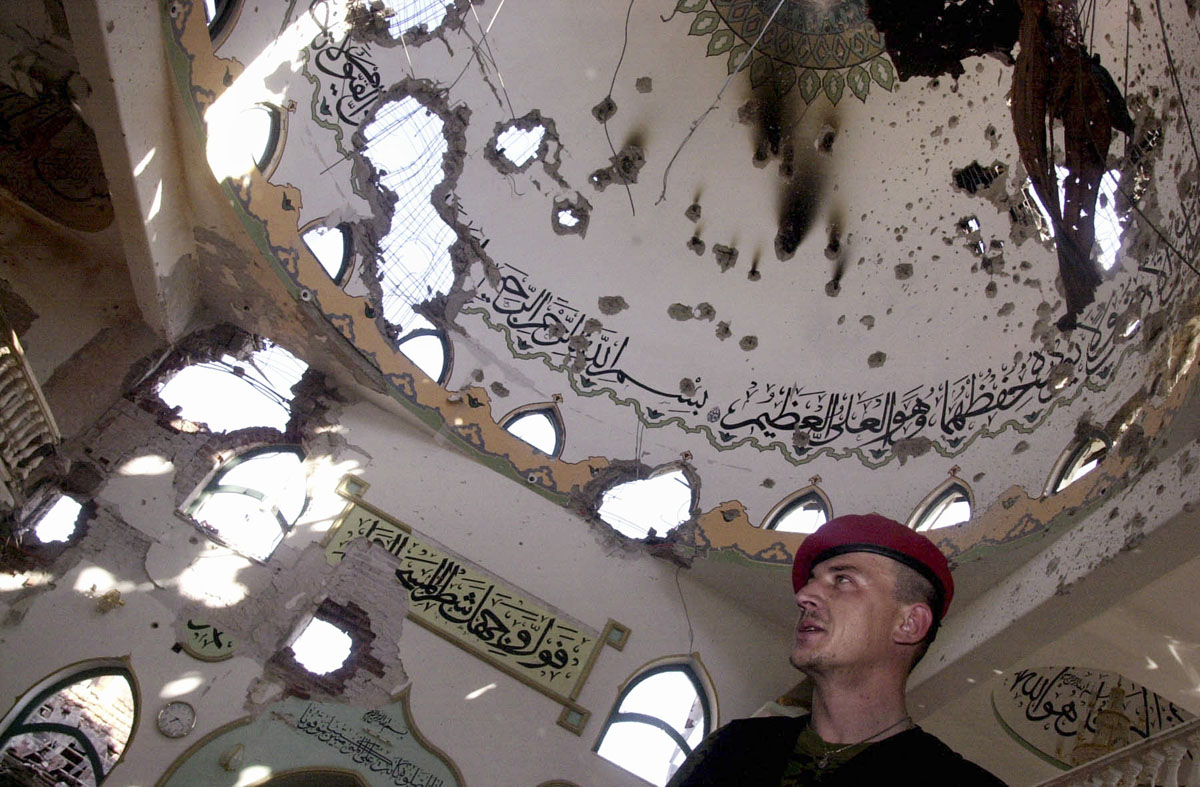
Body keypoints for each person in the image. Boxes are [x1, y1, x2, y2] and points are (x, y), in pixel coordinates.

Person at [667, 513, 1006, 786]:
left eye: (842, 580)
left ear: (909, 624)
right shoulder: (734, 748)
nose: (803, 596)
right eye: (811, 581)